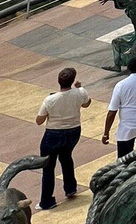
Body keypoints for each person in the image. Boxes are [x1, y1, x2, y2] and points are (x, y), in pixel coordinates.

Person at [35, 67, 91, 210]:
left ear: (59, 81)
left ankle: (47, 201)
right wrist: (79, 88)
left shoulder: (50, 99)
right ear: (72, 81)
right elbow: (86, 103)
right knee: (66, 158)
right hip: (73, 131)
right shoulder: (80, 92)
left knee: (48, 167)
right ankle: (70, 189)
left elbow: (39, 121)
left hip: (53, 134)